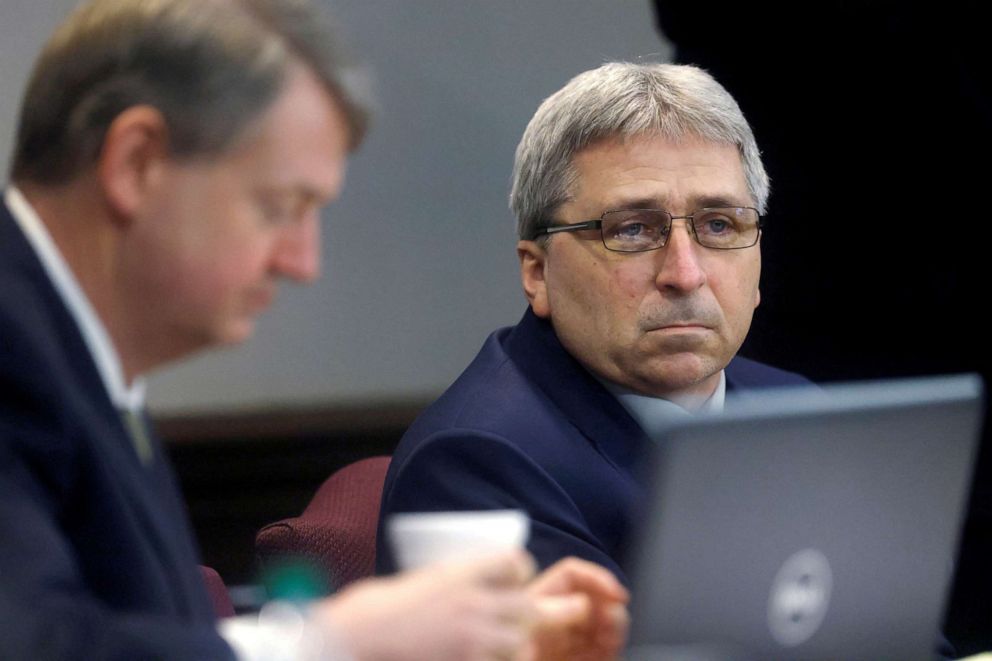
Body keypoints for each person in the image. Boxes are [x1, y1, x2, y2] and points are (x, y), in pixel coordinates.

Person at [0, 1, 628, 659]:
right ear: (136, 163)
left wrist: (470, 628)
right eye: (280, 207)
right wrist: (333, 640)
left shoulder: (74, 359)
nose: (304, 262)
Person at [377, 62, 812, 583]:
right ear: (537, 272)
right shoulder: (474, 466)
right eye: (631, 230)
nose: (685, 273)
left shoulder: (803, 414)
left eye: (719, 224)